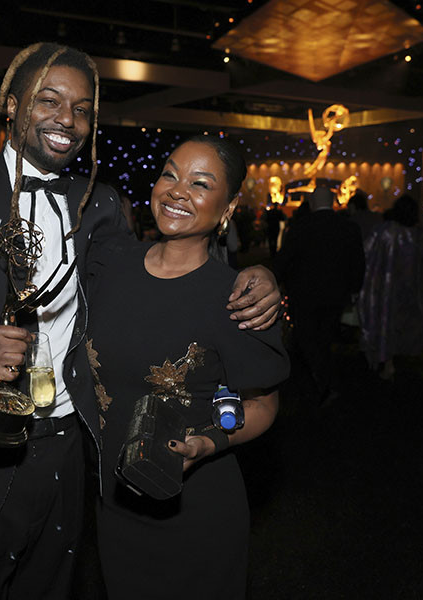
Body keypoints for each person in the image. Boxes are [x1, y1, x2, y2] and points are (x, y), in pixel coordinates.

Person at [0, 42, 281, 600]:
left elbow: (165, 274)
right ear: (11, 106)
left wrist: (263, 274)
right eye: (49, 100)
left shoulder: (100, 206)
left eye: (82, 108)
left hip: (70, 450)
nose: (68, 118)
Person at [86, 136, 288, 600]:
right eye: (170, 174)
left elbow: (261, 403)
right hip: (113, 504)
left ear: (228, 207)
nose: (177, 191)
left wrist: (209, 441)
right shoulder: (110, 266)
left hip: (196, 509)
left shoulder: (237, 297)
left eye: (200, 183)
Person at [274, 186, 365, 404]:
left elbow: (284, 259)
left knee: (306, 338)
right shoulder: (349, 227)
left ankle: (324, 381)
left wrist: (275, 281)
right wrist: (354, 289)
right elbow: (358, 262)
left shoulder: (301, 227)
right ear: (334, 202)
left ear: (313, 203)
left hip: (304, 294)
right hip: (335, 295)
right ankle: (323, 381)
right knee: (323, 337)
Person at [357, 195, 423, 379]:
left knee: (385, 323)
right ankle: (399, 361)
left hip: (385, 289)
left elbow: (365, 251)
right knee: (403, 324)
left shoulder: (385, 231)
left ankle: (387, 362)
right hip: (410, 289)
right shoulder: (417, 235)